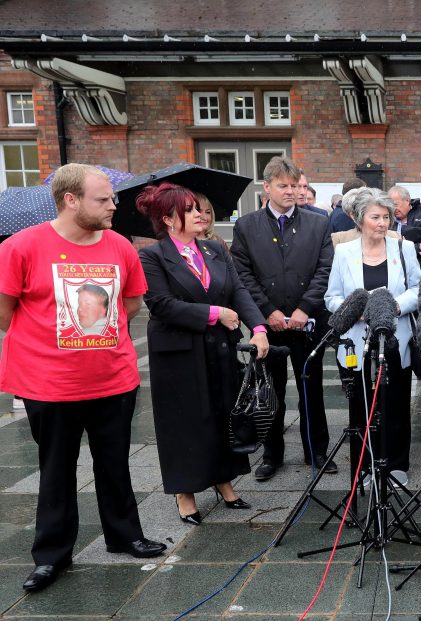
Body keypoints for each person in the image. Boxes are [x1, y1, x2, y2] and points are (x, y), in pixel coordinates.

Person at [0, 163, 165, 593]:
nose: (114, 205)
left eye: (112, 197)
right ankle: (52, 555)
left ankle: (125, 534)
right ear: (70, 200)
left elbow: (130, 307)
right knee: (56, 469)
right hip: (49, 384)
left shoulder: (120, 247)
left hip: (114, 379)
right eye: (103, 199)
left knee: (115, 464)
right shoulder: (21, 248)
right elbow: (4, 313)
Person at [137, 182, 270, 524]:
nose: (200, 215)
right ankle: (185, 491)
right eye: (191, 209)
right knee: (185, 421)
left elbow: (238, 290)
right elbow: (161, 304)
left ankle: (222, 479)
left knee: (221, 413)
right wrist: (215, 313)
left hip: (218, 348)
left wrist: (257, 328)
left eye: (199, 208)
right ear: (168, 219)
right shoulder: (151, 256)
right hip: (179, 353)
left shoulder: (214, 250)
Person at [231, 156, 336, 481]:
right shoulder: (247, 226)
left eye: (295, 185)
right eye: (283, 185)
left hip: (308, 323)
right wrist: (268, 312)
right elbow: (243, 274)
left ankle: (316, 450)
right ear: (267, 187)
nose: (290, 191)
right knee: (269, 389)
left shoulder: (318, 223)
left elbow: (324, 268)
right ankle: (271, 454)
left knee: (312, 389)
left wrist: (305, 308)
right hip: (269, 324)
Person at [325, 188, 421, 485]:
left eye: (387, 217)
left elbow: (418, 290)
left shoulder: (404, 249)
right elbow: (332, 297)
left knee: (394, 403)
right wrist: (355, 311)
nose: (382, 223)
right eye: (375, 217)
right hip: (357, 340)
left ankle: (395, 465)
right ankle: (365, 467)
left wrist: (393, 307)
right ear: (359, 219)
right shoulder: (343, 252)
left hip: (395, 338)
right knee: (361, 407)